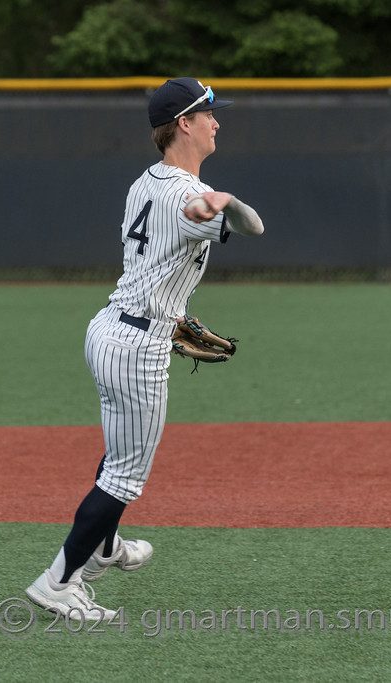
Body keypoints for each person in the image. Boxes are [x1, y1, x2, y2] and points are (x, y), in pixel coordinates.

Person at [25, 77, 265, 620]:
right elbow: (252, 226)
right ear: (184, 123)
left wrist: (218, 205)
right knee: (125, 476)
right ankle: (58, 582)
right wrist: (224, 202)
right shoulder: (188, 196)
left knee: (119, 458)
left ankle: (104, 546)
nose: (216, 122)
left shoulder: (146, 180)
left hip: (111, 327)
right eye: (208, 113)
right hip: (138, 346)